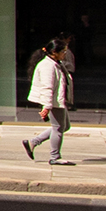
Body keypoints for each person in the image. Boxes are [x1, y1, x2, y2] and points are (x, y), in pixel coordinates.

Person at [23, 37, 75, 165]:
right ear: (54, 52)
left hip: (58, 100)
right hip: (54, 101)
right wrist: (46, 107)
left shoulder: (56, 63)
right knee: (58, 128)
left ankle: (33, 142)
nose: (65, 54)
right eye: (63, 51)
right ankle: (55, 157)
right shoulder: (47, 66)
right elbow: (47, 87)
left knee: (64, 126)